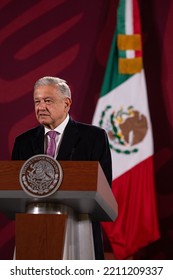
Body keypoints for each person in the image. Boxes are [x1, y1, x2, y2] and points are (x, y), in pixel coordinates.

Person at [11, 76, 112, 260]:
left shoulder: (93, 137)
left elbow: (104, 189)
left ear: (67, 103)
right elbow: (13, 189)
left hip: (79, 232)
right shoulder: (23, 142)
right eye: (37, 101)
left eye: (47, 101)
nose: (40, 107)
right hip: (33, 232)